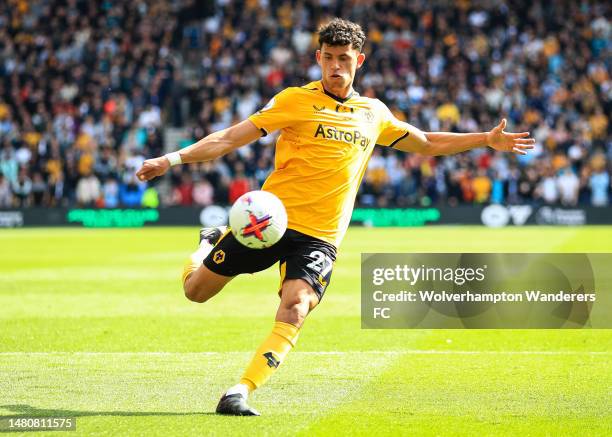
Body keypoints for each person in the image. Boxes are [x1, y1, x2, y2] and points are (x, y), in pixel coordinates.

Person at [136, 18, 534, 416]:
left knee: (297, 305)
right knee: (196, 291)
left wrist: (485, 139)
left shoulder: (373, 112)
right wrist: (171, 159)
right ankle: (207, 243)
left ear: (359, 60)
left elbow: (427, 143)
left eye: (344, 58)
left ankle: (241, 390)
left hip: (320, 235)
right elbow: (228, 137)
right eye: (328, 58)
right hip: (268, 221)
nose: (335, 67)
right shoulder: (293, 100)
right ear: (318, 58)